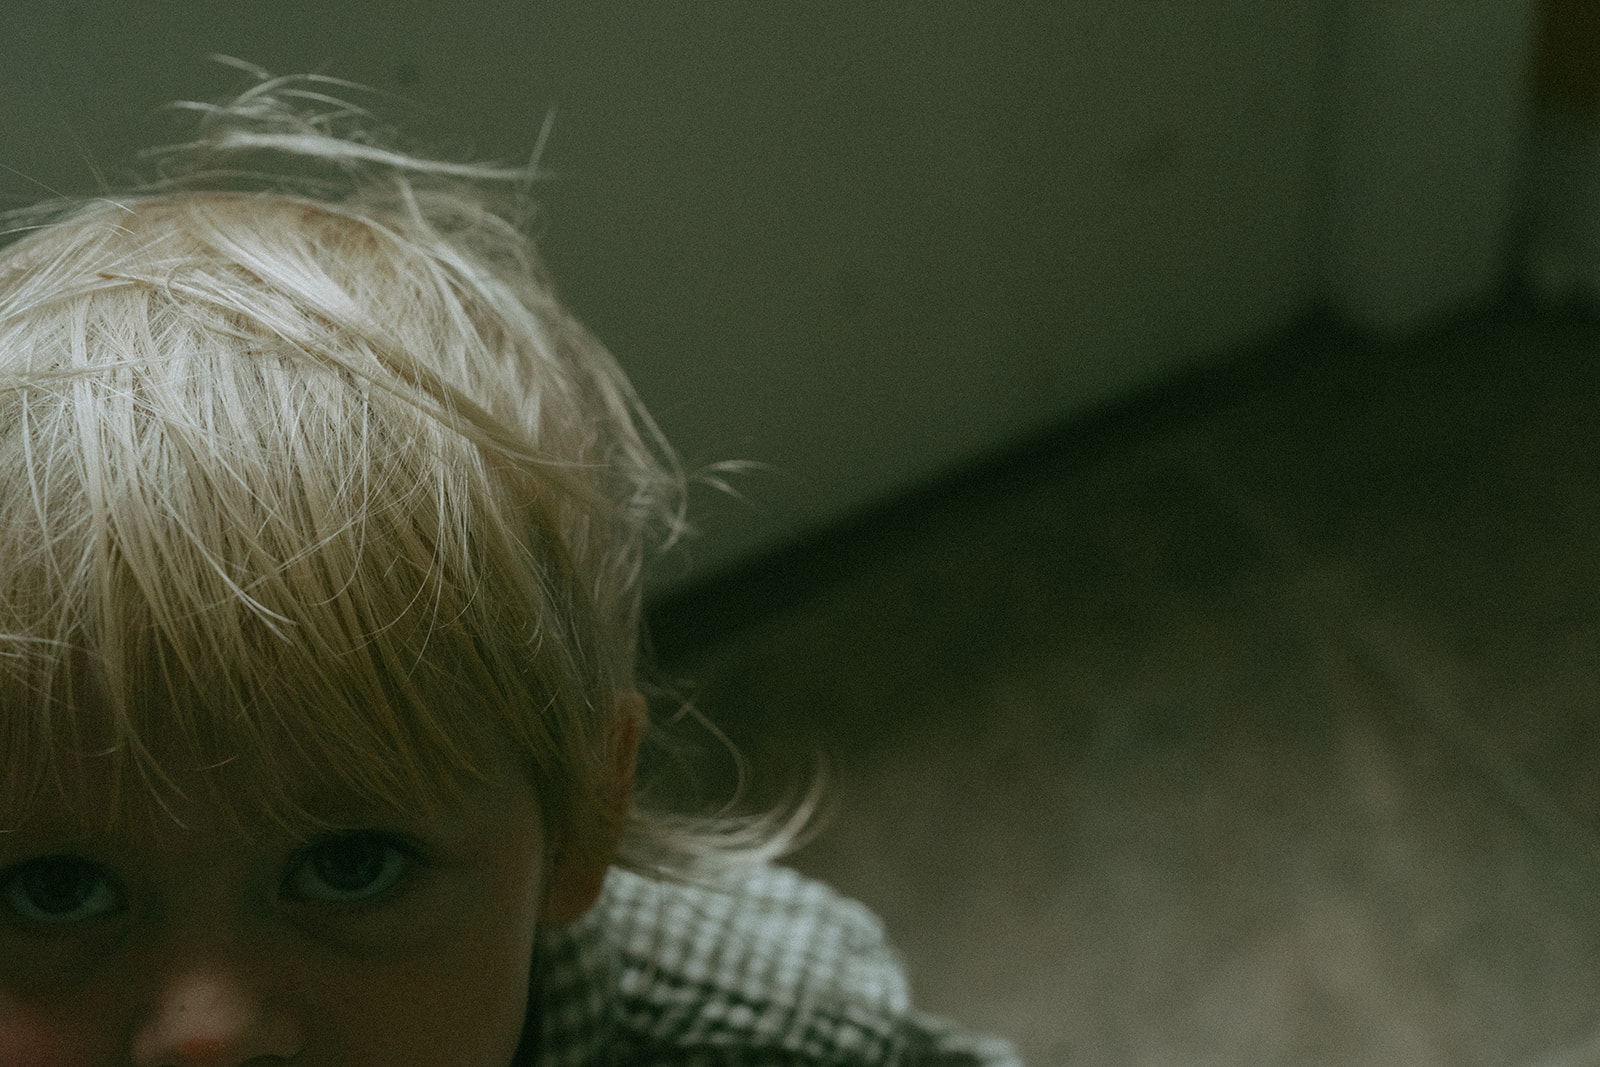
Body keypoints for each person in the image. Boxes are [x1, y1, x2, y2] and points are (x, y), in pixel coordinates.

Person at [0, 70, 1022, 1067]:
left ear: (583, 818)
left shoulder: (765, 1027)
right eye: (53, 887)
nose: (207, 1033)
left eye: (352, 865)